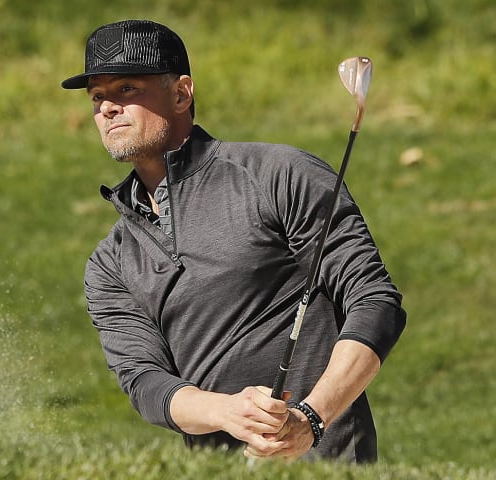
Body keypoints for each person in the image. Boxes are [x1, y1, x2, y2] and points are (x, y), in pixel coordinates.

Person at [63, 19, 406, 462]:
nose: (107, 108)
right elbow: (144, 380)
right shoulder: (110, 262)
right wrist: (229, 412)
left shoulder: (279, 175)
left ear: (182, 93)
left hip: (328, 462)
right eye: (97, 96)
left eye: (127, 88)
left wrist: (312, 419)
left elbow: (375, 301)